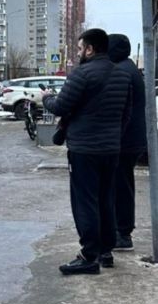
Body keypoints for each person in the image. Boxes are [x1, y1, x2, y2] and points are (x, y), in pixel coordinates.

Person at [42, 28, 131, 275]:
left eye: (81, 48)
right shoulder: (122, 75)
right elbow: (127, 114)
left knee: (85, 202)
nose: (79, 52)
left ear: (90, 49)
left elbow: (60, 106)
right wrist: (113, 137)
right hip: (111, 149)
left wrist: (46, 98)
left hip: (84, 150)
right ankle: (106, 251)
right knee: (106, 198)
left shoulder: (81, 74)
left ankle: (88, 255)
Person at [108, 33, 147, 251]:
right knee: (122, 184)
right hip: (131, 139)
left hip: (124, 140)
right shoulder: (129, 68)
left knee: (120, 187)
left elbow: (120, 109)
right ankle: (121, 231)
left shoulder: (122, 71)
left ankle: (122, 234)